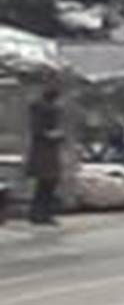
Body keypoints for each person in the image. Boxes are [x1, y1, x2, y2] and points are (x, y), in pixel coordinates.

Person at [23, 76, 63, 224]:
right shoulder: (42, 108)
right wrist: (52, 135)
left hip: (46, 149)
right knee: (47, 182)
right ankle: (40, 213)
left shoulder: (48, 107)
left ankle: (40, 213)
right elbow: (38, 130)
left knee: (47, 182)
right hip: (43, 150)